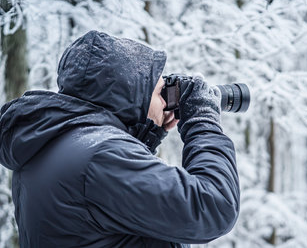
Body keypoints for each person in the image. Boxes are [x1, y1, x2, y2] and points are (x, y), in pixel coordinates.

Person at [0, 30, 240, 247]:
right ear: (130, 98)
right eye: (159, 93)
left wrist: (144, 135)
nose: (166, 102)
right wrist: (203, 121)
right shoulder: (100, 158)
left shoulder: (49, 144)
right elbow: (215, 206)